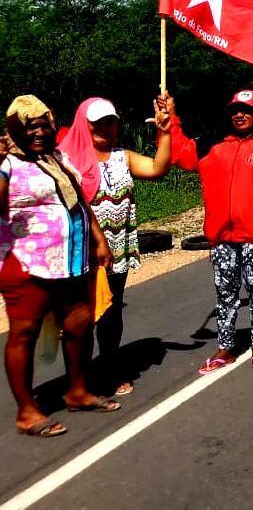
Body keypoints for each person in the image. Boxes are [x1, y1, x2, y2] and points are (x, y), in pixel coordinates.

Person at [169, 65, 253, 374]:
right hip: (221, 237)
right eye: (236, 110)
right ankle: (226, 347)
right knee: (225, 293)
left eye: (248, 110)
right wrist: (171, 119)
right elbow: (179, 152)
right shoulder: (211, 145)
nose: (240, 115)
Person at [0, 95, 118, 438]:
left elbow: (78, 201)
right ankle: (27, 411)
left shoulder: (58, 158)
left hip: (71, 260)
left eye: (44, 124)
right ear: (14, 131)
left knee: (80, 324)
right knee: (24, 332)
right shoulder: (8, 164)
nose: (38, 132)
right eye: (29, 127)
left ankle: (76, 392)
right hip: (26, 263)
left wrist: (98, 238)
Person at [57, 96, 173, 395]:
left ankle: (109, 366)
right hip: (82, 254)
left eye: (110, 121)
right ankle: (80, 377)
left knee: (111, 311)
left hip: (117, 250)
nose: (104, 128)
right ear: (83, 124)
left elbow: (158, 168)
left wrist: (165, 132)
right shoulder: (66, 159)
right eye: (96, 122)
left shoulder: (124, 156)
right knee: (80, 316)